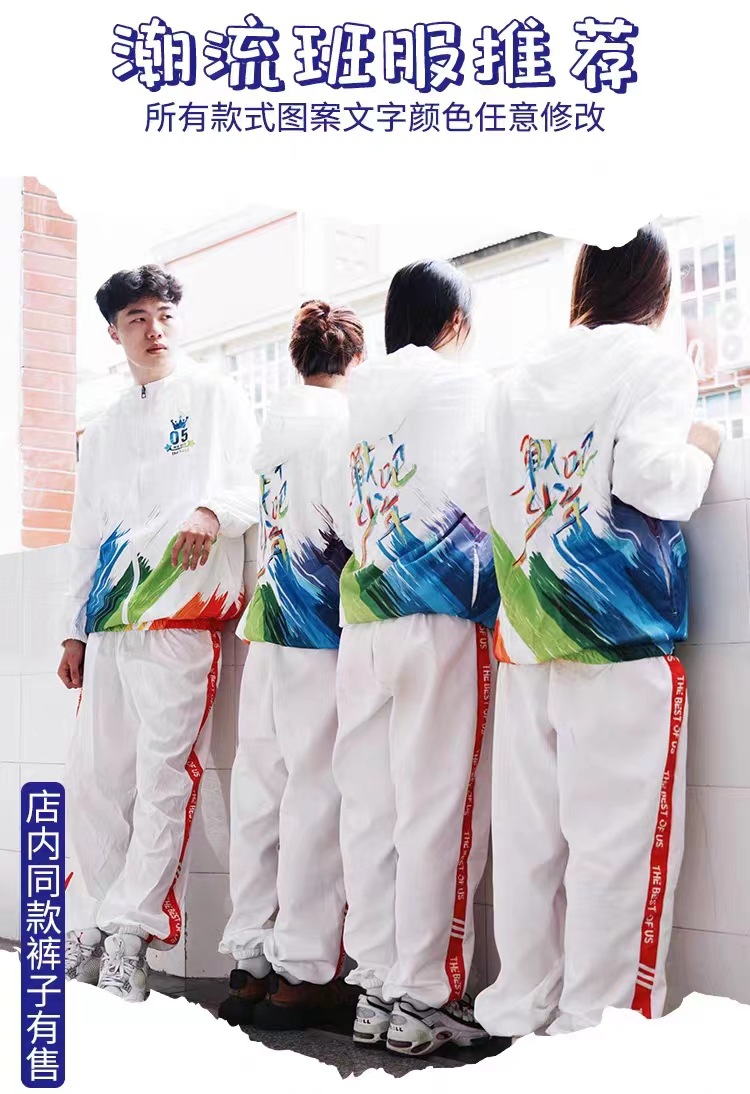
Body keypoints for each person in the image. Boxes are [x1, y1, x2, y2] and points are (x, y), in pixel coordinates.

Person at [474, 225, 723, 1038]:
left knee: (530, 847)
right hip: (617, 640)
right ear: (656, 285)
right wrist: (703, 448)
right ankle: (594, 1039)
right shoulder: (653, 361)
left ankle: (518, 1016)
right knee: (613, 851)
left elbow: (485, 496)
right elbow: (654, 480)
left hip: (526, 639)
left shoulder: (518, 377)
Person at [59, 265, 259, 1002]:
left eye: (164, 314)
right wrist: (73, 632)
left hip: (181, 618)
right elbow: (85, 534)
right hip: (111, 625)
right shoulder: (104, 428)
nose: (155, 329)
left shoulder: (216, 397)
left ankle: (131, 934)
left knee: (161, 778)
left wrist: (213, 511)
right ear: (115, 333)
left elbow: (252, 482)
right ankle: (92, 921)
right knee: (94, 782)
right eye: (137, 318)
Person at [332, 260, 500, 1056]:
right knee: (436, 808)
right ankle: (424, 996)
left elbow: (341, 510)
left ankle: (373, 988)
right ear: (456, 322)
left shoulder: (355, 400)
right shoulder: (467, 386)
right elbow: (493, 486)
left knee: (369, 812)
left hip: (363, 621)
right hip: (440, 616)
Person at [218, 301, 364, 1030]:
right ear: (355, 361)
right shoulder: (344, 424)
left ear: (297, 360)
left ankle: (250, 962)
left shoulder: (272, 429)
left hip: (268, 626)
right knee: (316, 794)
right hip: (318, 629)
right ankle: (303, 972)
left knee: (260, 791)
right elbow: (353, 525)